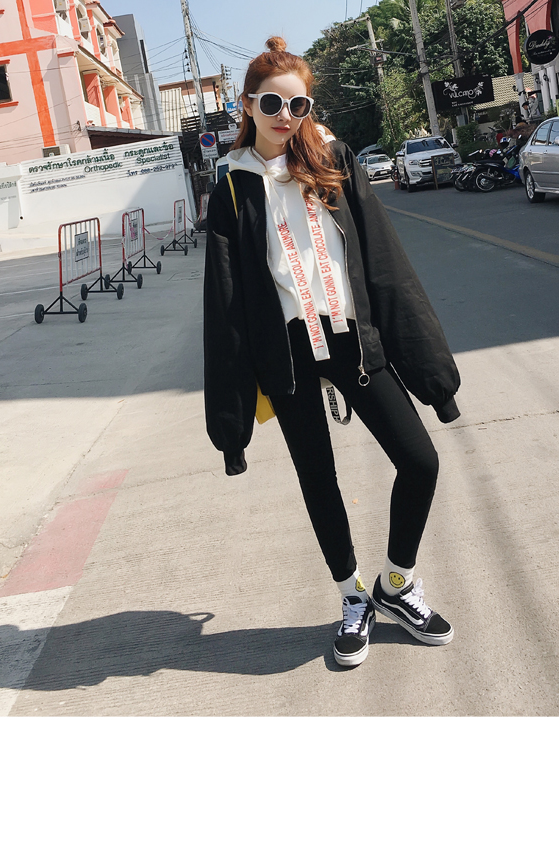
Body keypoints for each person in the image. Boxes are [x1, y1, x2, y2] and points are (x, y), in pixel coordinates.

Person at [203, 37, 461, 668]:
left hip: (350, 338)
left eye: (299, 105)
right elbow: (226, 305)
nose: (285, 116)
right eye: (271, 103)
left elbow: (384, 260)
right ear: (247, 105)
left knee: (420, 462)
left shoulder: (332, 160)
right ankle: (352, 598)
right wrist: (231, 424)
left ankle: (395, 584)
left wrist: (432, 374)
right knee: (319, 480)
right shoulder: (232, 186)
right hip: (289, 350)